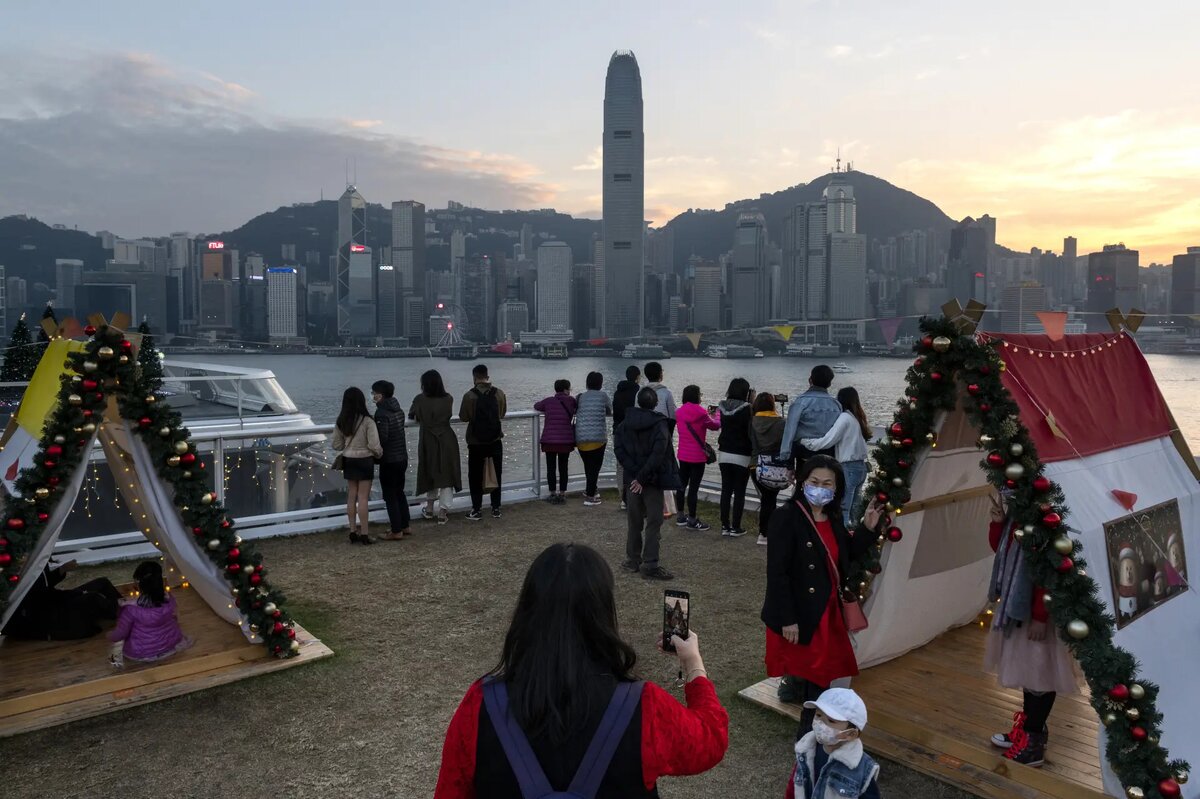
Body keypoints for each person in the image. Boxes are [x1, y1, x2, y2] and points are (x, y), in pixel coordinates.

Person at [434, 543, 729, 798]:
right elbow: (711, 740)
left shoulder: (482, 704)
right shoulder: (645, 706)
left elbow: (450, 792)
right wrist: (693, 665)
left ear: (527, 611)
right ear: (603, 614)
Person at [761, 455, 885, 737]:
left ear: (836, 488)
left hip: (828, 613)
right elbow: (777, 572)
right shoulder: (787, 516)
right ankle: (809, 738)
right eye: (814, 482)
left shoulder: (833, 516)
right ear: (802, 483)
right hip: (803, 614)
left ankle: (812, 735)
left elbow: (846, 555)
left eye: (827, 483)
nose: (820, 488)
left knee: (821, 678)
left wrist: (867, 527)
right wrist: (788, 618)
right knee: (816, 680)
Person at [984, 493, 1078, 767]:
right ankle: (1031, 728)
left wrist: (1040, 615)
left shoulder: (1044, 518)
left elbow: (1048, 571)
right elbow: (1001, 551)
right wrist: (999, 523)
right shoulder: (1019, 515)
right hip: (1019, 608)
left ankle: (1034, 739)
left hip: (1038, 613)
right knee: (1029, 674)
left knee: (1040, 676)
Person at [615, 387, 683, 580]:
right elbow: (658, 454)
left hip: (632, 481)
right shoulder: (659, 424)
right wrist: (643, 477)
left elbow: (619, 450)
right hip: (651, 481)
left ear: (638, 402)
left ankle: (632, 560)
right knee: (654, 522)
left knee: (634, 521)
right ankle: (650, 563)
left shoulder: (624, 424)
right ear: (655, 404)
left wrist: (635, 475)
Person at [785, 688, 882, 799]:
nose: (820, 723)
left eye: (831, 721)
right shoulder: (805, 749)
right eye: (818, 715)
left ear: (850, 734)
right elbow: (794, 785)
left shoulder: (862, 769)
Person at [800, 387, 871, 527]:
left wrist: (805, 442)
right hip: (861, 467)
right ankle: (855, 536)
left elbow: (828, 440)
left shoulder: (844, 418)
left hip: (848, 467)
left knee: (843, 506)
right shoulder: (857, 418)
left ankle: (842, 538)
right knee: (855, 507)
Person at [1, 559, 119, 640]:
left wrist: (62, 569)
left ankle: (122, 608)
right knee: (93, 597)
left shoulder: (37, 564)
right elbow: (45, 597)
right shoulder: (24, 571)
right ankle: (123, 613)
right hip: (52, 611)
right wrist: (78, 593)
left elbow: (46, 583)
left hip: (55, 600)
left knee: (102, 583)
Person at [108, 561, 192, 666]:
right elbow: (174, 618)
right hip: (170, 646)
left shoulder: (130, 610)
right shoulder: (169, 599)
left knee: (114, 658)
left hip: (142, 654)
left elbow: (120, 634)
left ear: (140, 586)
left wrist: (110, 636)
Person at [410, 369, 462, 525]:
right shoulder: (448, 399)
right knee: (446, 473)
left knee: (429, 471)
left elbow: (412, 415)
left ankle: (430, 507)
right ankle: (443, 512)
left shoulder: (419, 399)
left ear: (424, 384)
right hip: (446, 438)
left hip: (428, 439)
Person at [332, 386, 382, 544]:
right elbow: (374, 445)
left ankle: (353, 531)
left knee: (351, 496)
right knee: (363, 498)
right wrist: (379, 454)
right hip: (365, 460)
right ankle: (365, 534)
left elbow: (336, 445)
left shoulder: (341, 420)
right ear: (362, 401)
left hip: (349, 460)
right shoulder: (368, 420)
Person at [459, 363, 508, 522]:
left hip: (476, 442)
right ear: (487, 376)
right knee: (496, 472)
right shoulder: (499, 393)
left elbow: (464, 417)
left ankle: (476, 509)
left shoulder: (469, 396)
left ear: (474, 377)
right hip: (495, 439)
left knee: (475, 475)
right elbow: (502, 414)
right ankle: (496, 508)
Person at [675, 384, 720, 532]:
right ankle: (693, 520)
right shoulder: (701, 413)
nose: (701, 397)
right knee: (693, 489)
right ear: (696, 396)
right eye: (700, 394)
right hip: (697, 457)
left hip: (683, 454)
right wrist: (717, 414)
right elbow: (715, 426)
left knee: (681, 485)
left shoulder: (679, 412)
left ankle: (681, 516)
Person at [779, 365, 842, 468]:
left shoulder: (800, 403)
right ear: (830, 383)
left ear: (810, 380)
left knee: (804, 482)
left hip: (805, 455)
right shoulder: (836, 405)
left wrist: (787, 461)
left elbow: (789, 432)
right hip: (829, 457)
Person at [372, 380, 411, 541]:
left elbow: (383, 437)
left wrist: (374, 452)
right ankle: (405, 525)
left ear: (380, 395)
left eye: (374, 393)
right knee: (399, 492)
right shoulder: (399, 410)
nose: (373, 396)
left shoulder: (381, 413)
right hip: (402, 456)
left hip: (389, 459)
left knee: (390, 495)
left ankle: (396, 530)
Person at [716, 377, 754, 538]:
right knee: (739, 492)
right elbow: (751, 431)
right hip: (742, 455)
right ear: (746, 392)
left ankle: (724, 525)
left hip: (724, 453)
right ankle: (735, 527)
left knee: (726, 490)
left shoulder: (722, 407)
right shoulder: (748, 409)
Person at [644, 361, 682, 522]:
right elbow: (673, 416)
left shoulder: (641, 392)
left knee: (646, 469)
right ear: (660, 374)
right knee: (663, 470)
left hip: (644, 437)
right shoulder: (666, 393)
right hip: (662, 436)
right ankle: (666, 507)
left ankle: (647, 505)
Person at [750, 392, 787, 547]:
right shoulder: (781, 423)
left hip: (755, 465)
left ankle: (765, 532)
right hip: (775, 466)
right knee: (770, 499)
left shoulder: (751, 421)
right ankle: (766, 532)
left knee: (767, 499)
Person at [535, 379, 578, 504]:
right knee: (563, 468)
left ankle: (552, 493)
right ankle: (562, 493)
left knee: (551, 468)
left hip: (550, 441)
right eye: (569, 389)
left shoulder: (548, 401)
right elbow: (576, 407)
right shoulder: (571, 401)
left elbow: (537, 406)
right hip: (565, 441)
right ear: (566, 390)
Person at [575, 371, 613, 506]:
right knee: (595, 468)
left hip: (580, 437)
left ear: (587, 383)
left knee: (588, 466)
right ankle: (590, 497)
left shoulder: (580, 397)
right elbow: (610, 409)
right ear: (600, 384)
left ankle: (589, 490)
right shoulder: (603, 396)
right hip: (597, 438)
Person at [612, 365, 642, 510]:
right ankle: (634, 497)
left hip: (618, 431)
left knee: (620, 466)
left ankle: (622, 499)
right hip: (634, 432)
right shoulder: (639, 391)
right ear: (637, 377)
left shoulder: (618, 392)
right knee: (635, 464)